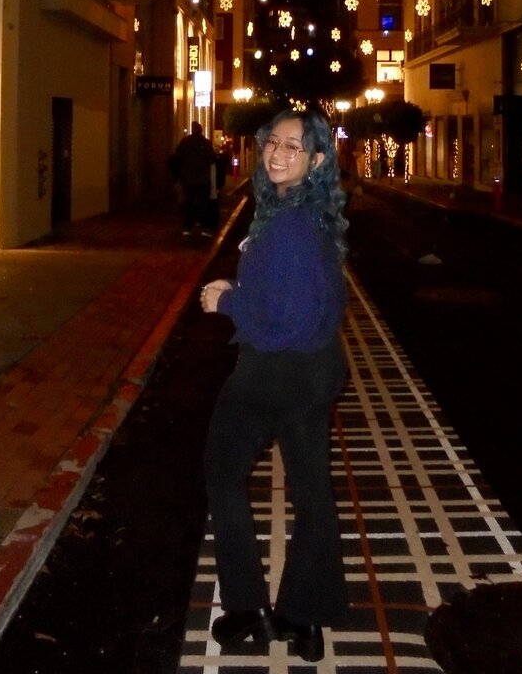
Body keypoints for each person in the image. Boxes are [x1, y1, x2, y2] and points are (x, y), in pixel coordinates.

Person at [199, 109, 350, 663]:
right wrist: (241, 286)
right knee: (312, 495)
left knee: (222, 475)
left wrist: (227, 302)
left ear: (316, 159)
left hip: (272, 374)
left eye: (294, 146)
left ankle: (248, 609)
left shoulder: (290, 225)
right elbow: (302, 297)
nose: (277, 153)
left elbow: (285, 322)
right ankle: (304, 619)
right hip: (313, 374)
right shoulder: (306, 214)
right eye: (273, 143)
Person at [173, 121, 218, 237]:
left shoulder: (185, 142)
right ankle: (204, 226)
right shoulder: (206, 143)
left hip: (188, 179)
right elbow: (212, 161)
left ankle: (187, 226)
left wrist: (179, 176)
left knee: (189, 202)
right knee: (203, 203)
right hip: (203, 179)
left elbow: (177, 157)